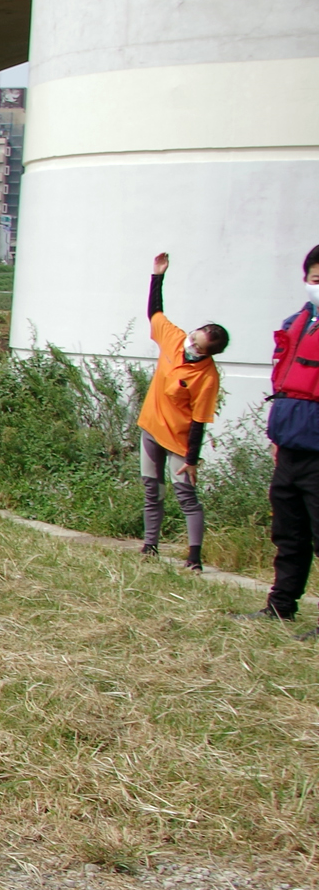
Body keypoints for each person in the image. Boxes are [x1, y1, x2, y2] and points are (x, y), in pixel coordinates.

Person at [136, 252, 226, 574]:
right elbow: (155, 314)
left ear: (207, 353)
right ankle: (150, 545)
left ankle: (194, 557)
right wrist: (157, 276)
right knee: (152, 489)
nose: (190, 344)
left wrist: (191, 459)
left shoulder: (208, 377)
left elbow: (200, 421)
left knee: (186, 496)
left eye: (198, 346)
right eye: (193, 337)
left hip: (178, 440)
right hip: (150, 428)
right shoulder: (175, 340)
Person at [248, 244, 319, 629]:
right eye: (316, 278)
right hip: (290, 446)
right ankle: (280, 606)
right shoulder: (298, 321)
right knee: (289, 535)